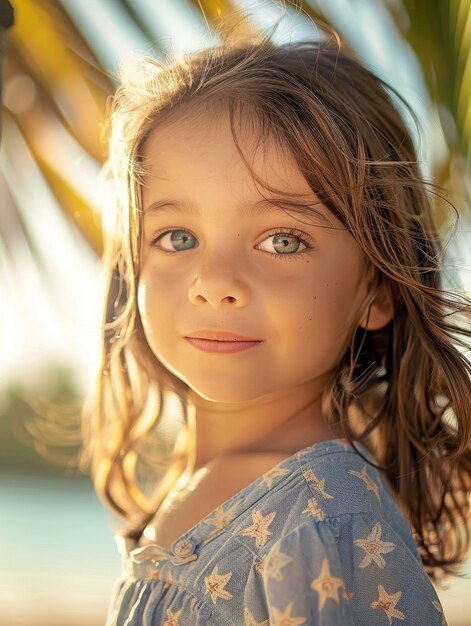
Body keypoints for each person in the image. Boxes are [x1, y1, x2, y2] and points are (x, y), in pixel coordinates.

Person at [81, 10, 471, 626]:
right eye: (178, 237)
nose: (215, 284)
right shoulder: (217, 487)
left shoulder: (320, 522)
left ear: (377, 286)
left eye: (282, 241)